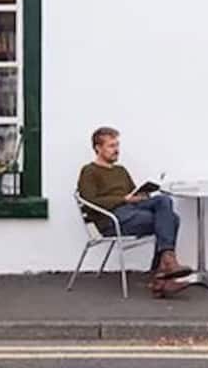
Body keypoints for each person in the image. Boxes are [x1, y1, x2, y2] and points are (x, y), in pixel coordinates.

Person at [76, 127, 193, 298]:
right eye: (111, 146)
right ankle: (162, 277)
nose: (116, 150)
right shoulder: (89, 171)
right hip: (111, 219)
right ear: (98, 148)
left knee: (164, 201)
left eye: (117, 145)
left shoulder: (120, 170)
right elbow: (89, 201)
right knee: (171, 220)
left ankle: (165, 266)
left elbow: (132, 193)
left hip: (131, 211)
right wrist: (124, 199)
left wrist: (142, 195)